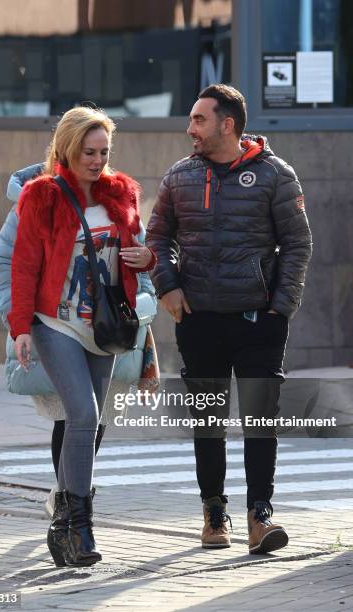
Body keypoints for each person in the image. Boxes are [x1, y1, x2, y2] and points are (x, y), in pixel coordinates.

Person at [146, 84, 312, 554]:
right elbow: (157, 238)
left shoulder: (276, 175)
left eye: (199, 120)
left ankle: (260, 514)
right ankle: (214, 513)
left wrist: (281, 306)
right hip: (198, 319)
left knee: (261, 418)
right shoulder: (179, 176)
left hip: (259, 319)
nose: (190, 128)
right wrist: (168, 286)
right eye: (191, 119)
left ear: (228, 124)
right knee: (208, 419)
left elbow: (298, 244)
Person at [7, 106, 155, 567]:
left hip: (106, 326)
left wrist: (145, 259)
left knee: (89, 425)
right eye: (88, 152)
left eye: (104, 151)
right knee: (84, 415)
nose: (96, 160)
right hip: (56, 323)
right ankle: (79, 527)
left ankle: (66, 526)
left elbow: (138, 257)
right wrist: (19, 328)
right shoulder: (41, 196)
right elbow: (24, 264)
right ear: (68, 150)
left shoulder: (122, 192)